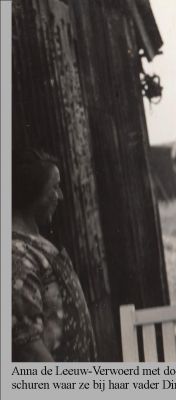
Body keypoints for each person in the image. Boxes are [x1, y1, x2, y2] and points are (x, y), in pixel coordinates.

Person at [12, 149, 97, 362]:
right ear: (32, 194)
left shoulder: (37, 243)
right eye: (54, 187)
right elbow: (28, 346)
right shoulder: (16, 256)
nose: (60, 196)